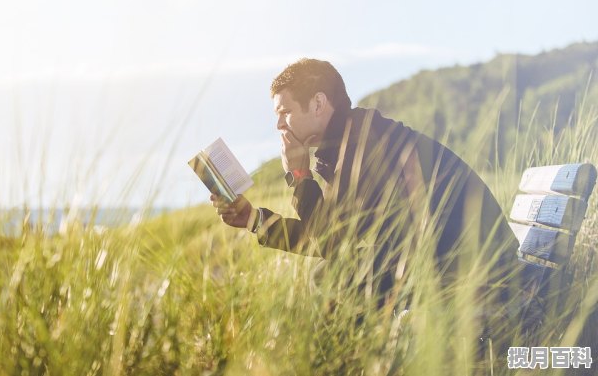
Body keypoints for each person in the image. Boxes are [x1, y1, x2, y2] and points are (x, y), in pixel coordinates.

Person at [210, 58, 519, 332]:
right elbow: (331, 235)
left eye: (285, 112)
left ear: (318, 103)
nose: (278, 124)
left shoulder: (363, 145)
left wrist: (300, 177)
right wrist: (252, 219)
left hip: (479, 275)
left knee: (331, 276)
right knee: (333, 273)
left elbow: (331, 242)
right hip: (451, 262)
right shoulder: (348, 141)